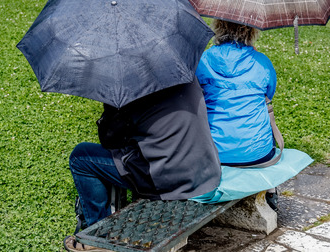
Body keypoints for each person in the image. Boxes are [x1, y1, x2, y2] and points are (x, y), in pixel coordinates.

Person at [64, 78, 222, 251]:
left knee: (81, 157)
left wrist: (110, 103)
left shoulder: (131, 86)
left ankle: (97, 237)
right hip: (208, 170)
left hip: (172, 181)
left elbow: (109, 139)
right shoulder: (184, 74)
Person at [196, 19, 279, 208]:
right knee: (263, 118)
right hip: (257, 155)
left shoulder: (204, 59)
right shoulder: (262, 62)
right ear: (251, 31)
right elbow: (269, 93)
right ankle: (271, 190)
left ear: (218, 28)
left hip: (213, 154)